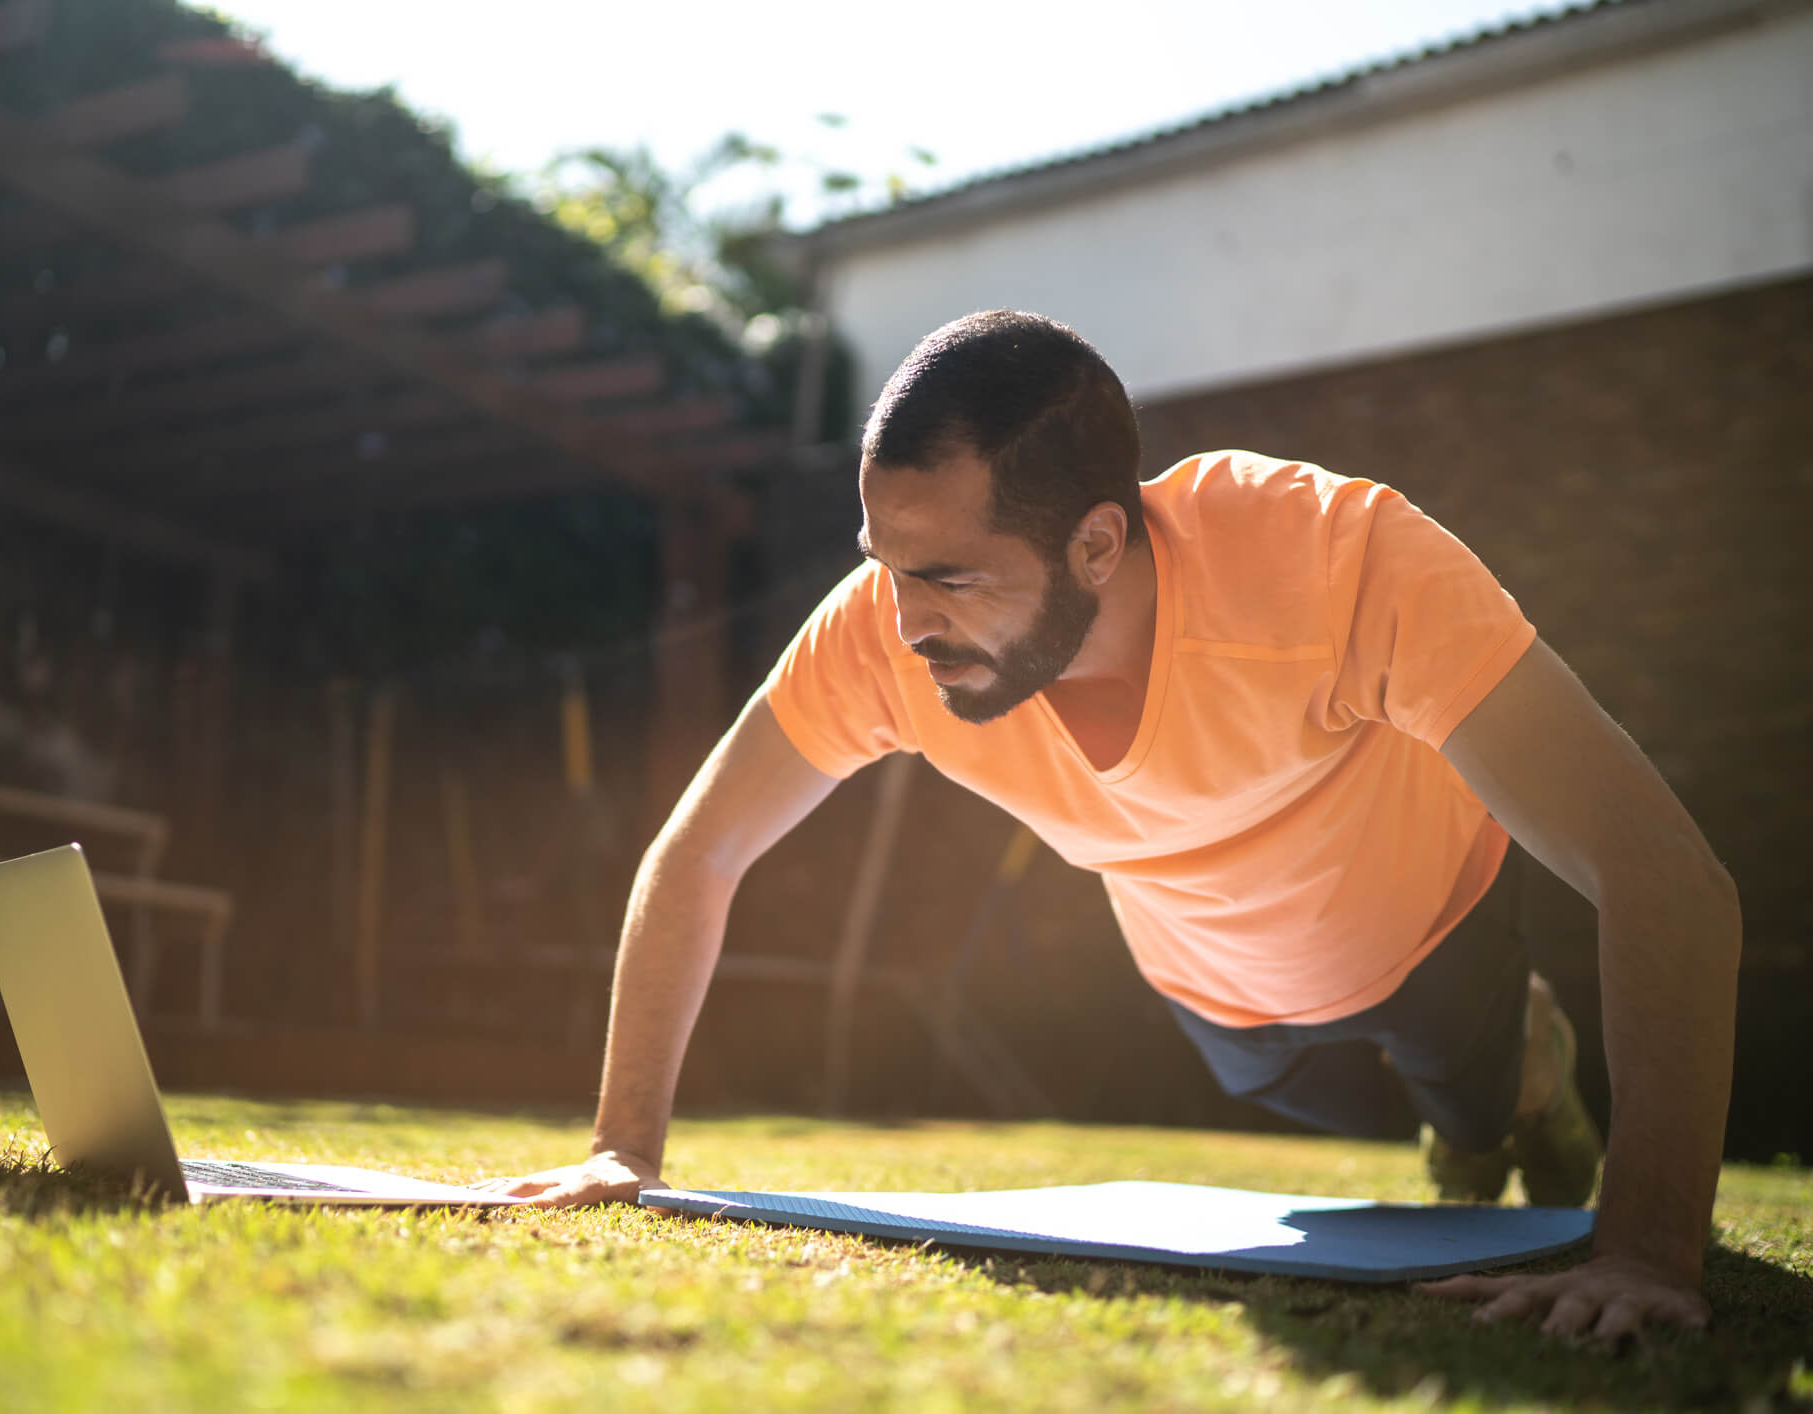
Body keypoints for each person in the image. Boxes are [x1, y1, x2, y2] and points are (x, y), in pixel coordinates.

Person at [481, 311, 1740, 1341]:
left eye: (950, 576)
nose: (903, 617)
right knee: (1350, 1129)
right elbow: (699, 849)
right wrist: (619, 1149)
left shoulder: (1340, 560)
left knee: (1469, 1109)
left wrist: (1643, 1248)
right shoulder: (883, 628)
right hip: (1216, 993)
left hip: (1427, 931)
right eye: (880, 559)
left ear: (1095, 543)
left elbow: (1664, 878)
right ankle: (1474, 1117)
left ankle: (1521, 1080)